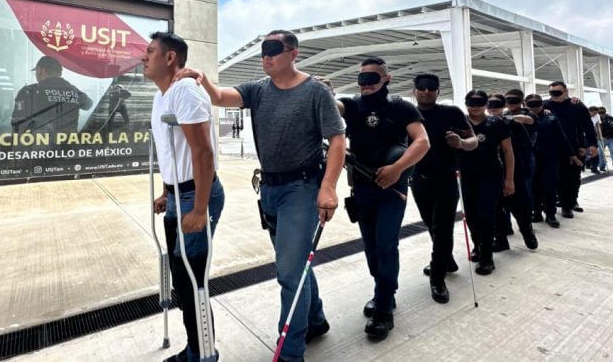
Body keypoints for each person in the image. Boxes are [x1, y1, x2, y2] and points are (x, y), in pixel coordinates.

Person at [176, 30, 345, 362]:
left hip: (302, 188)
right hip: (269, 189)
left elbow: (337, 140)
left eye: (273, 49)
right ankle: (315, 320)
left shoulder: (315, 92)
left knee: (289, 273)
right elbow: (222, 97)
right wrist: (203, 79)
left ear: (293, 53)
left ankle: (290, 353)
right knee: (295, 267)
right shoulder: (259, 90)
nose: (265, 56)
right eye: (262, 50)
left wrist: (328, 187)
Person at [144, 32, 225, 362]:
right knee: (180, 276)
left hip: (197, 195)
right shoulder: (161, 96)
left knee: (192, 281)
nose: (143, 57)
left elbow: (202, 153)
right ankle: (195, 347)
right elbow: (170, 150)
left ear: (170, 58)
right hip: (178, 194)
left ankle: (203, 353)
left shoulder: (186, 92)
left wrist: (200, 209)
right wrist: (165, 191)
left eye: (150, 52)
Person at [335, 59, 428, 339]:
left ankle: (384, 309)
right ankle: (384, 291)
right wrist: (319, 92)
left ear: (387, 77)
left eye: (372, 77)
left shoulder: (401, 107)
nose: (365, 84)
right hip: (362, 188)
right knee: (372, 249)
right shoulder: (350, 105)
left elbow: (422, 142)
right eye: (361, 78)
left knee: (386, 245)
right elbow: (332, 107)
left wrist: (397, 169)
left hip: (392, 188)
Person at [409, 74, 477, 305]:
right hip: (418, 179)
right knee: (431, 225)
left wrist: (461, 143)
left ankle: (437, 278)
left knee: (443, 228)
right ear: (414, 91)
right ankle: (446, 259)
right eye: (422, 88)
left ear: (438, 92)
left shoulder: (452, 113)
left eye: (431, 88)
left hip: (446, 179)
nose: (426, 91)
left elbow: (473, 141)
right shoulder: (408, 115)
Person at [458, 90, 514, 276]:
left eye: (479, 103)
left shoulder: (496, 123)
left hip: (490, 175)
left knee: (486, 214)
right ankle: (479, 244)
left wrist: (509, 180)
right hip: (466, 176)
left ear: (485, 104)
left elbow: (507, 152)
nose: (475, 107)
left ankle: (487, 256)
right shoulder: (460, 123)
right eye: (471, 103)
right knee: (471, 215)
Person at [487, 93, 538, 252]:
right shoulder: (485, 125)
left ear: (503, 106)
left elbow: (526, 147)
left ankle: (527, 232)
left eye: (497, 105)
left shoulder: (513, 124)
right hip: (492, 173)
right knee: (496, 209)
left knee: (519, 205)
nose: (494, 109)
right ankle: (501, 239)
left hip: (514, 171)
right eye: (490, 105)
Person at [543, 81, 597, 218]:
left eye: (558, 92)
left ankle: (569, 204)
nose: (555, 96)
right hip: (552, 148)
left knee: (572, 178)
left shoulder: (577, 106)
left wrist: (593, 144)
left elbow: (588, 126)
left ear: (566, 91)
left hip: (575, 147)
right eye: (552, 93)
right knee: (554, 178)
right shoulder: (545, 106)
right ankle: (562, 201)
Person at [525, 94, 579, 227]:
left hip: (550, 157)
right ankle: (536, 212)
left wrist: (571, 154)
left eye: (537, 104)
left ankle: (550, 214)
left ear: (541, 104)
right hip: (531, 158)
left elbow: (562, 137)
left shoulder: (551, 118)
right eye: (530, 105)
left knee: (550, 186)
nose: (534, 108)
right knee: (534, 186)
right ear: (525, 105)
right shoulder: (521, 118)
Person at [11, 56, 93, 134]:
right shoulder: (74, 91)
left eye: (36, 72)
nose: (36, 74)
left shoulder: (29, 91)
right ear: (60, 73)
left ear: (40, 70)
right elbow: (88, 105)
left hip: (40, 144)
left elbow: (18, 123)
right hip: (67, 144)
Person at [587, 106, 607, 174]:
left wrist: (599, 135)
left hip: (592, 134)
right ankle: (587, 163)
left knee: (595, 151)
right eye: (593, 113)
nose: (594, 115)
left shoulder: (597, 116)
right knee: (585, 152)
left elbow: (598, 125)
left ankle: (594, 168)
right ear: (589, 111)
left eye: (596, 113)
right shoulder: (583, 114)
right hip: (583, 134)